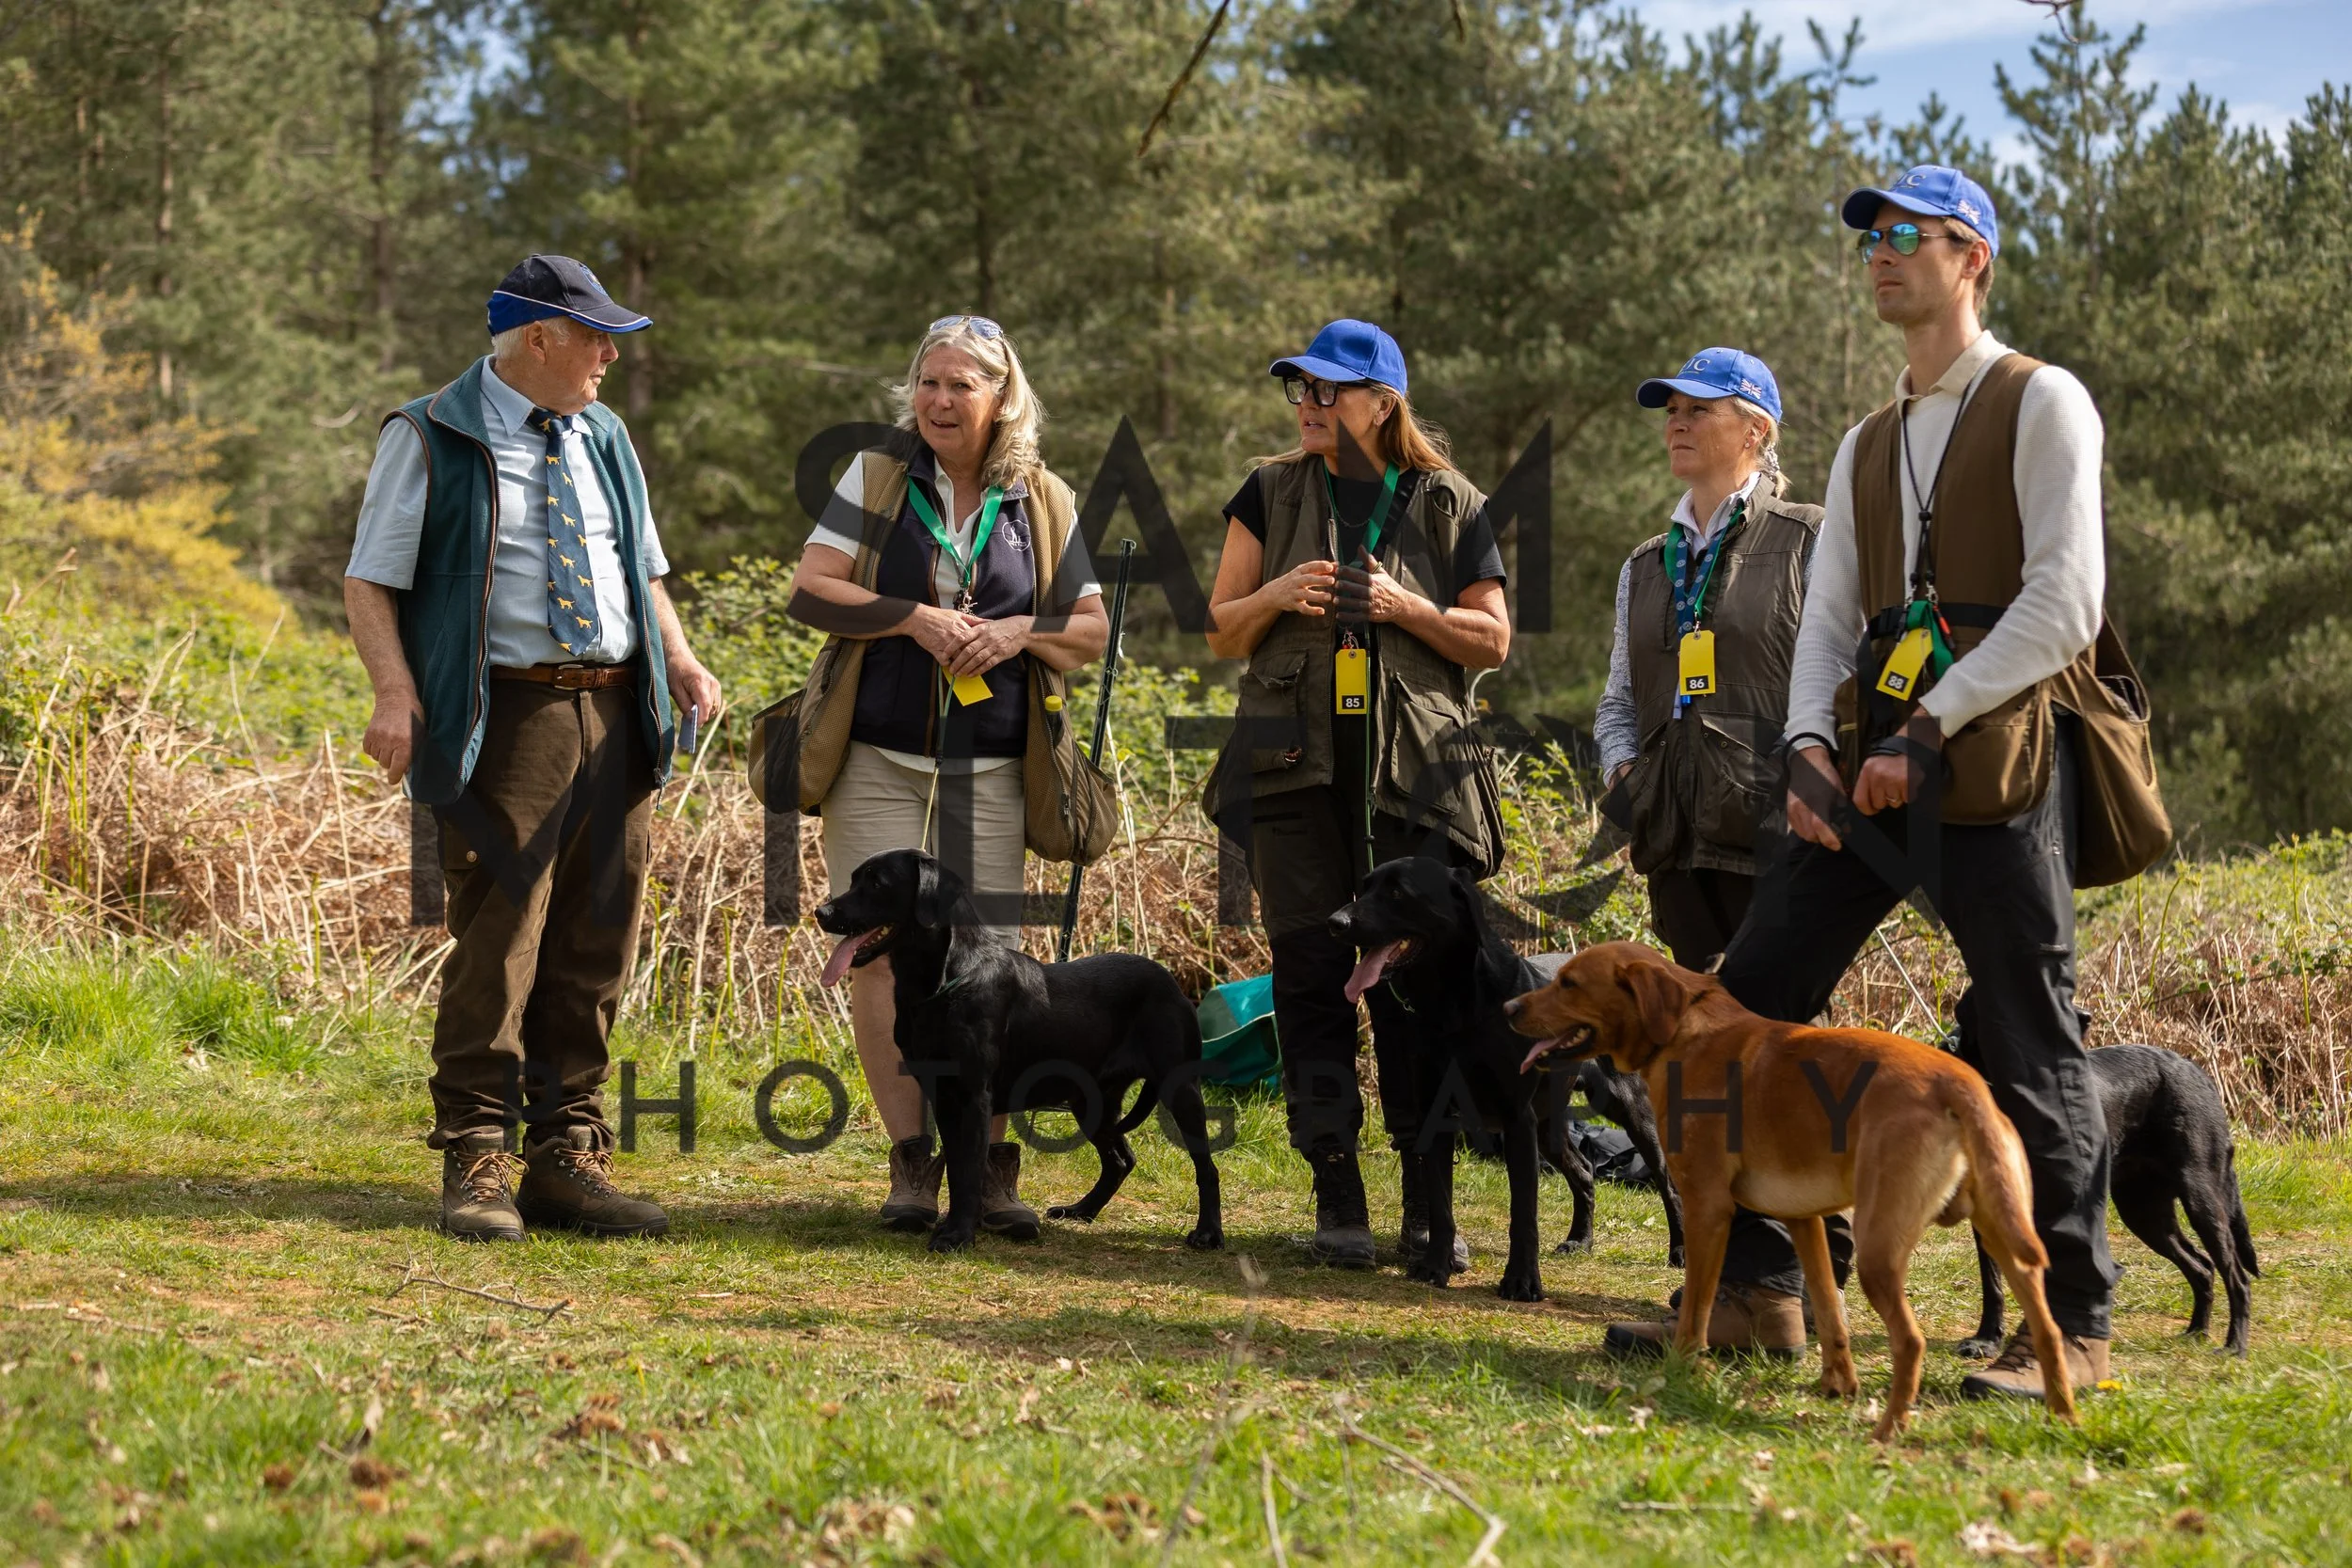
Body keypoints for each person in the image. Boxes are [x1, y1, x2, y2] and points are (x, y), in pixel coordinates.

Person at [1602, 166, 2119, 1398]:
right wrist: (1808, 750)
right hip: (1862, 777)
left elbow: (2069, 601)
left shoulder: (2044, 402)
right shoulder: (1865, 439)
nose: (1881, 254)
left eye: (1909, 237)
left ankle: (2081, 1327)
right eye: (1871, 239)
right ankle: (1764, 1291)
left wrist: (1928, 726)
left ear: (1972, 257)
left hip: (1994, 765)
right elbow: (1830, 621)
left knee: (2027, 1032)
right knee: (1750, 991)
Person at [345, 253, 724, 1242]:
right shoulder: (429, 431)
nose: (609, 353)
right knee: (501, 933)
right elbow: (370, 579)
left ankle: (566, 1156)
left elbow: (640, 570)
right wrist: (395, 692)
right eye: (595, 335)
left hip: (618, 710)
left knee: (602, 931)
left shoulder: (604, 433)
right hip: (501, 715)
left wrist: (680, 659)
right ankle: (476, 1156)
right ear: (539, 338)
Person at [787, 315, 1107, 1240]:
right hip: (876, 761)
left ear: (1001, 397)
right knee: (879, 966)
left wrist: (1016, 632)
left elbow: (1086, 631)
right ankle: (912, 1163)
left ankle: (990, 1168)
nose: (936, 400)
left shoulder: (1043, 497)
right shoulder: (875, 477)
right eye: (926, 383)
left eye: (958, 385)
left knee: (986, 974)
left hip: (996, 768)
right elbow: (810, 589)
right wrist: (911, 619)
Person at [1203, 319, 1510, 1270]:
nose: (1307, 404)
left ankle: (1429, 1204)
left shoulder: (1453, 502)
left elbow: (1492, 641)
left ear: (1382, 402)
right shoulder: (1267, 490)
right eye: (1298, 388)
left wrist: (1405, 606)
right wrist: (1277, 593)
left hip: (1414, 782)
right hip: (1291, 773)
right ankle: (1336, 1191)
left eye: (1327, 390)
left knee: (1417, 992)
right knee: (1307, 980)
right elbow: (1220, 628)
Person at [1595, 349, 1822, 974]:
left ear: (1757, 430)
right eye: (1672, 411)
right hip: (1673, 850)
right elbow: (1618, 699)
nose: (1677, 424)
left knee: (1781, 1049)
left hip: (1777, 847)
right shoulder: (1642, 566)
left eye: (1699, 409)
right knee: (1701, 1054)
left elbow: (1839, 682)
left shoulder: (1812, 538)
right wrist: (1629, 783)